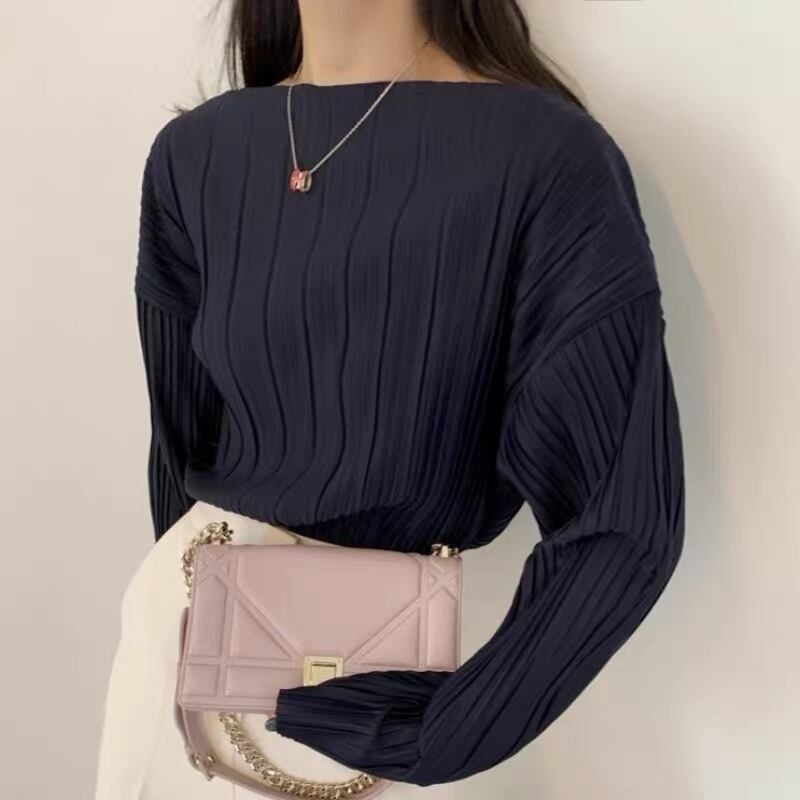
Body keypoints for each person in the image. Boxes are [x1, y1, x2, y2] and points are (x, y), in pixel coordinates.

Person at [94, 0, 686, 797]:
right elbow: (180, 451)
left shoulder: (544, 155)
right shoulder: (194, 154)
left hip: (374, 676)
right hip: (181, 651)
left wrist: (450, 728)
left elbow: (623, 518)